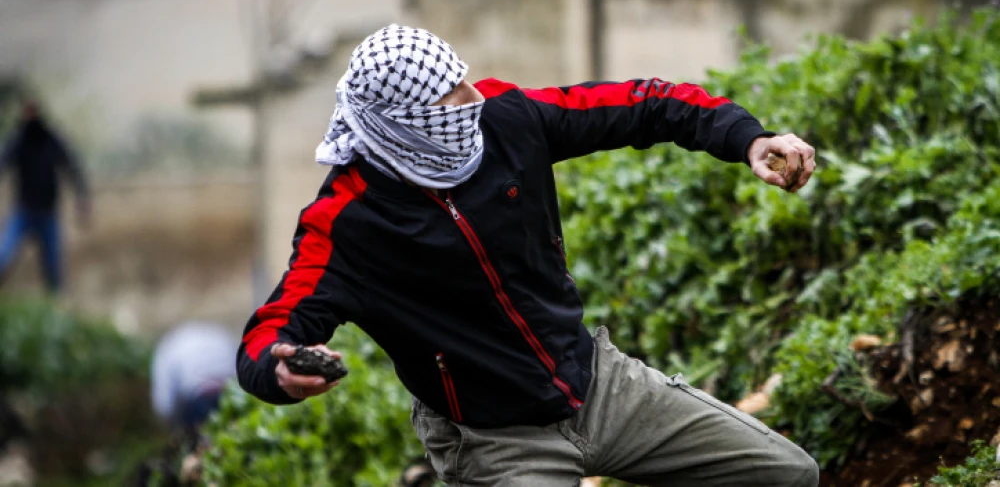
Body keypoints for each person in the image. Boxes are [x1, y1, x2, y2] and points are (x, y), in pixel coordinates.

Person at [236, 25, 820, 486]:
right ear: (402, 126)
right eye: (449, 98)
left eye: (463, 80)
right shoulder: (346, 224)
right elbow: (269, 333)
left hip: (599, 385)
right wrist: (280, 369)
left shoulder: (505, 119)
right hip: (496, 443)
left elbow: (646, 104)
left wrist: (747, 138)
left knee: (788, 474)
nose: (471, 100)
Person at [0, 101, 90, 294]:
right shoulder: (19, 140)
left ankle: (54, 306)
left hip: (48, 214)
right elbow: (3, 163)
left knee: (53, 272)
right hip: (23, 212)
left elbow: (73, 168)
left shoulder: (52, 140)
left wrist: (82, 199)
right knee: (3, 257)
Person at [151, 322, 238, 436]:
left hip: (197, 401)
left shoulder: (168, 347)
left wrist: (172, 427)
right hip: (230, 394)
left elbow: (165, 402)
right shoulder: (219, 336)